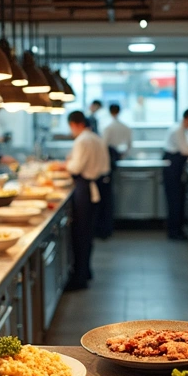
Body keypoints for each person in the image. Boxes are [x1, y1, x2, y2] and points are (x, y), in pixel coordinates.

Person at [64, 110, 110, 291]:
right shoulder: (96, 138)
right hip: (95, 187)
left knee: (81, 234)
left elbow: (76, 167)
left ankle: (80, 277)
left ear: (75, 124)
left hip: (84, 188)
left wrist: (66, 164)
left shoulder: (82, 140)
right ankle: (86, 271)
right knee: (87, 233)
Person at [163, 109, 188, 240]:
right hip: (173, 168)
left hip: (176, 167)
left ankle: (177, 229)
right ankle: (174, 231)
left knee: (178, 199)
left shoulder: (182, 130)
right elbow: (184, 150)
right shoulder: (178, 130)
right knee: (175, 200)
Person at [98, 103, 132, 239]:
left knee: (106, 198)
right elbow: (129, 146)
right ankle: (108, 227)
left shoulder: (108, 127)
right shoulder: (125, 127)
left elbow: (103, 147)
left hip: (108, 163)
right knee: (109, 196)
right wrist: (122, 156)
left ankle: (105, 229)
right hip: (117, 160)